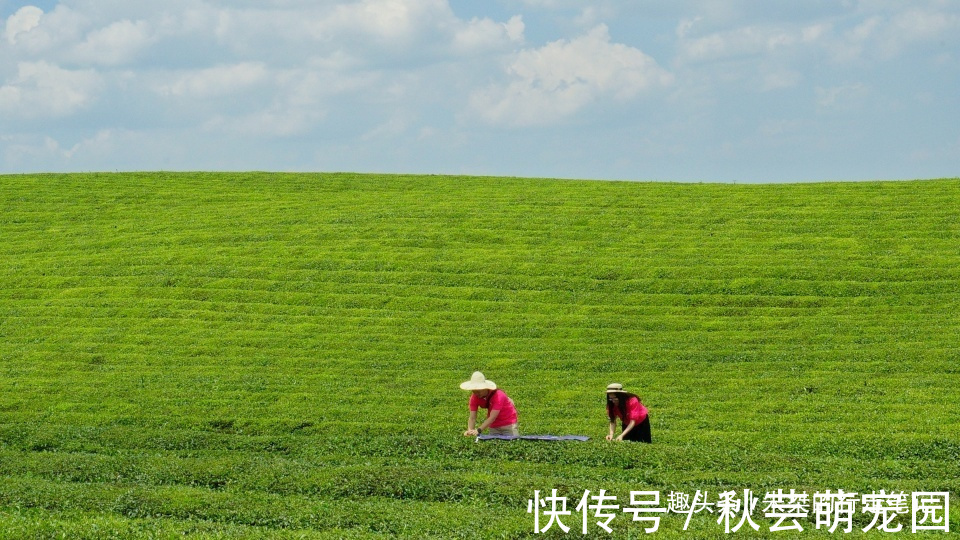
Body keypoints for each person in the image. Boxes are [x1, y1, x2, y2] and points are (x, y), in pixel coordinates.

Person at [460, 371, 519, 436]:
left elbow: (492, 417)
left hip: (508, 424)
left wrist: (479, 430)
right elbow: (472, 417)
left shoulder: (499, 395)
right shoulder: (474, 397)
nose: (476, 393)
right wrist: (470, 431)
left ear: (485, 388)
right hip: (494, 425)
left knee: (511, 442)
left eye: (479, 391)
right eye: (474, 391)